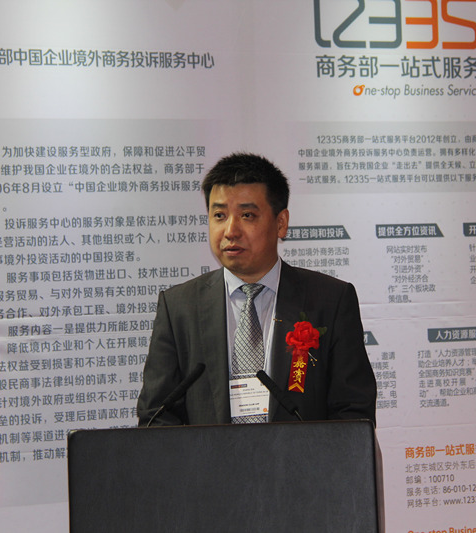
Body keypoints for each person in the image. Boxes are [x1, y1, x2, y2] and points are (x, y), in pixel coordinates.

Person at [137, 152, 376, 426]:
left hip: (301, 455)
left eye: (247, 215)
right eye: (219, 215)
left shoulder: (330, 301)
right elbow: (157, 417)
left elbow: (353, 413)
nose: (230, 231)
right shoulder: (179, 307)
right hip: (210, 456)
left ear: (281, 223)